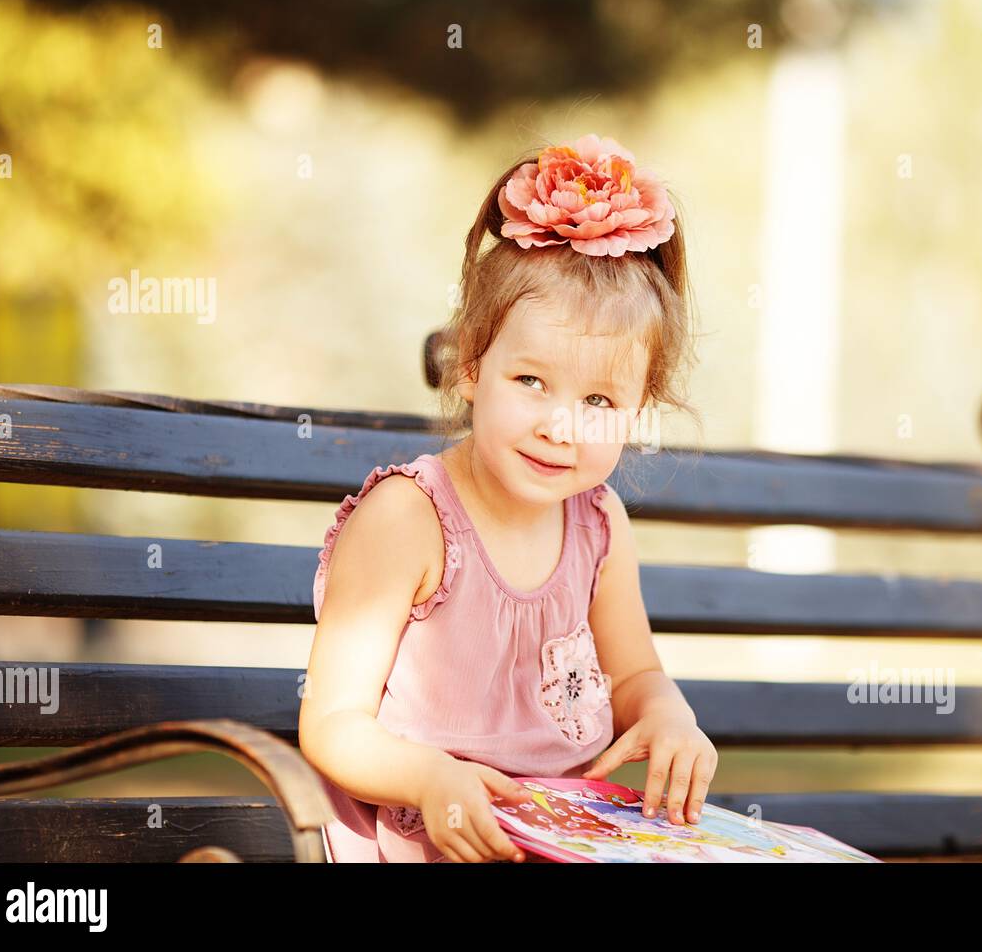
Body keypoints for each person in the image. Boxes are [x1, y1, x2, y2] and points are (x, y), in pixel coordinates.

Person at [299, 133, 715, 862]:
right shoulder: (410, 518)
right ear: (470, 367)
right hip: (432, 840)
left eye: (597, 399)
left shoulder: (598, 525)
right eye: (530, 381)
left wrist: (667, 713)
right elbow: (334, 723)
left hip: (562, 842)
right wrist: (429, 777)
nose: (560, 425)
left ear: (636, 409)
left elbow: (635, 675)